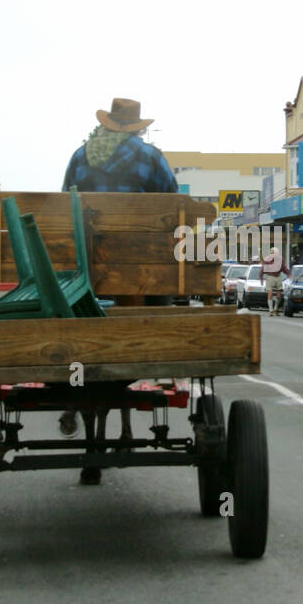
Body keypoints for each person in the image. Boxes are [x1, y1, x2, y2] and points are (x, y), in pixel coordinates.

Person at [59, 98, 179, 484]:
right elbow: (174, 205)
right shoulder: (151, 157)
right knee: (163, 288)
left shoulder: (80, 156)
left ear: (107, 125)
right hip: (137, 268)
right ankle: (157, 342)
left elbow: (63, 206)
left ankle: (83, 417)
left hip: (87, 270)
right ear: (135, 128)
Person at [263, 246, 290, 315]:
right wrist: (261, 276)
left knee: (278, 295)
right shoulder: (267, 259)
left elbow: (284, 268)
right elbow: (263, 268)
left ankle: (275, 309)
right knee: (270, 293)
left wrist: (289, 274)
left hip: (278, 277)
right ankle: (270, 310)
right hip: (270, 277)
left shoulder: (280, 260)